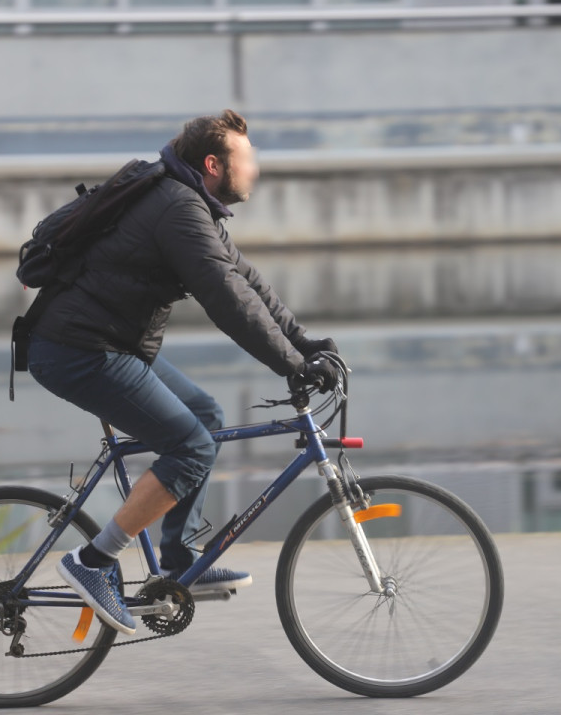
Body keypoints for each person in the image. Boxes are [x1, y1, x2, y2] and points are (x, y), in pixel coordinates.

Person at [27, 109, 340, 636]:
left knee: (204, 415)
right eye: (249, 158)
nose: (256, 169)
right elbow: (227, 302)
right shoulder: (178, 209)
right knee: (191, 447)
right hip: (77, 349)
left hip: (109, 343)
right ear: (215, 164)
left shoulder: (190, 202)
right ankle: (94, 562)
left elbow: (247, 283)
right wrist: (291, 366)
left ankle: (178, 559)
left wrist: (304, 343)